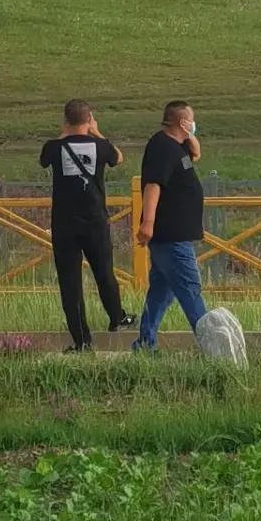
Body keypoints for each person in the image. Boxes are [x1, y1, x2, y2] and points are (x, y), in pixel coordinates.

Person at [39, 99, 136, 351]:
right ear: (89, 118)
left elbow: (44, 159)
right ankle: (117, 318)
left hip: (64, 226)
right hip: (95, 222)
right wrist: (96, 131)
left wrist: (64, 132)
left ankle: (82, 341)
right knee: (105, 272)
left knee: (70, 283)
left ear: (65, 120)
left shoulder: (53, 147)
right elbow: (119, 157)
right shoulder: (101, 146)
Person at [133, 100, 208, 351]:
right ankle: (211, 344)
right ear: (181, 122)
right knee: (189, 288)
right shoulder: (162, 147)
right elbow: (153, 185)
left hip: (177, 233)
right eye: (191, 120)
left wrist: (190, 138)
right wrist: (148, 222)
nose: (194, 124)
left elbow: (196, 155)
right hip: (170, 234)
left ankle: (145, 343)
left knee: (161, 293)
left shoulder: (178, 147)